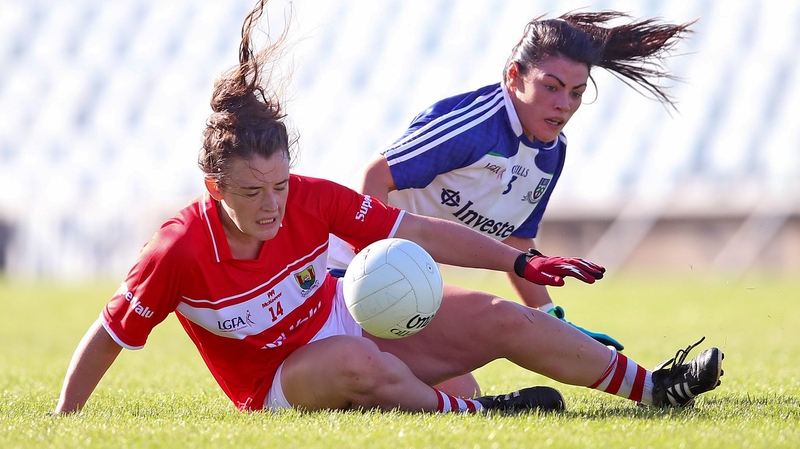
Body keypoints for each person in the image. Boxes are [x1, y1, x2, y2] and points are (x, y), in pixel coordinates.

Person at [54, 1, 723, 415]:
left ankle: (656, 388)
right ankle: (483, 416)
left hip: (349, 313)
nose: (273, 205)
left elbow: (422, 230)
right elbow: (111, 333)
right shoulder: (178, 249)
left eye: (280, 185)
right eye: (252, 192)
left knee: (496, 325)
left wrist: (523, 265)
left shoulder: (313, 198)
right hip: (276, 382)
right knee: (364, 367)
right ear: (213, 187)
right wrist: (64, 418)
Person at [327, 11, 696, 396]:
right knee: (499, 318)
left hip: (399, 288)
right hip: (342, 275)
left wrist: (551, 315)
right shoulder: (476, 126)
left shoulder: (552, 152)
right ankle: (655, 388)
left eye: (576, 93)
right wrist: (375, 269)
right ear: (514, 76)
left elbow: (516, 240)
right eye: (551, 87)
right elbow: (375, 176)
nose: (564, 104)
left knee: (461, 391)